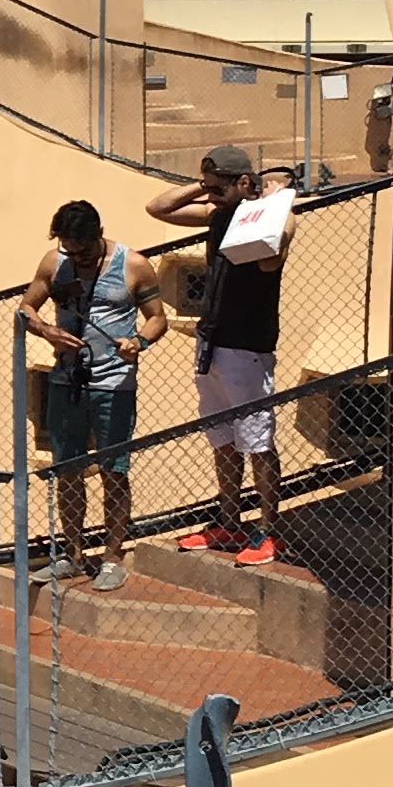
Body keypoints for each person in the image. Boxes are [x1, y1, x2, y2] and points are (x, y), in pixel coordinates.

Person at [149, 143, 294, 560]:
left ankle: (268, 529)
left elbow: (271, 261)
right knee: (222, 439)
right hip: (212, 341)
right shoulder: (218, 215)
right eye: (207, 187)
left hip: (247, 345)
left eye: (217, 187)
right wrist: (205, 187)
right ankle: (230, 520)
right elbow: (158, 208)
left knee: (257, 441)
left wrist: (272, 201)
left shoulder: (274, 218)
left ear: (243, 183)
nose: (209, 195)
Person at [19, 195, 168, 588]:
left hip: (114, 384)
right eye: (68, 249)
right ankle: (72, 553)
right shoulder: (54, 263)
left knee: (112, 471)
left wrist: (139, 342)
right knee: (67, 471)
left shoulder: (133, 265)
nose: (75, 258)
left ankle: (113, 556)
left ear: (99, 237)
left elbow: (158, 319)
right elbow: (27, 308)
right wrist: (47, 331)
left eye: (82, 252)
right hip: (66, 382)